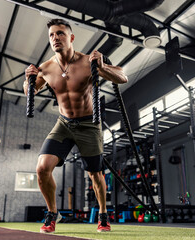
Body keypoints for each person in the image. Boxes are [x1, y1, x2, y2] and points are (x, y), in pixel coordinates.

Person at [23, 19, 127, 234]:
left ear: (71, 38)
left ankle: (103, 214)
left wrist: (102, 67)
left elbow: (122, 78)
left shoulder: (88, 61)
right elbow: (30, 92)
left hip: (89, 125)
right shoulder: (46, 67)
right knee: (42, 168)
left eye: (60, 33)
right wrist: (28, 80)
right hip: (63, 123)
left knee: (95, 174)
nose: (55, 38)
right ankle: (53, 213)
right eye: (52, 35)